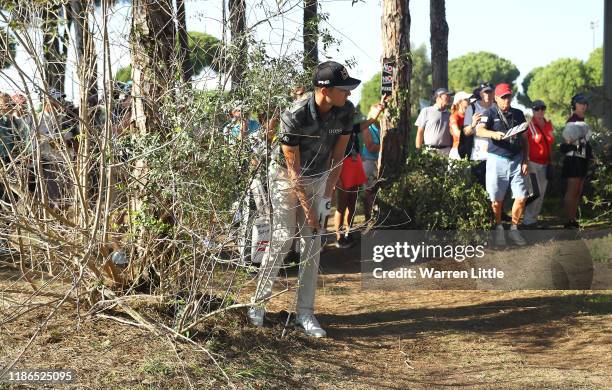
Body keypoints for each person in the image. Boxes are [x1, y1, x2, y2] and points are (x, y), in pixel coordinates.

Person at [248, 61, 359, 337]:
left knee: (313, 241)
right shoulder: (294, 114)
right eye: (343, 89)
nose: (349, 93)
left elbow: (338, 159)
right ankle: (257, 305)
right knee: (285, 236)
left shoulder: (345, 111)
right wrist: (308, 209)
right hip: (286, 177)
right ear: (325, 90)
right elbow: (293, 170)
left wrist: (325, 200)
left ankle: (305, 314)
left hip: (320, 176)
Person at [476, 83, 529, 246]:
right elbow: (479, 130)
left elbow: (524, 138)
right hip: (496, 161)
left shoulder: (519, 114)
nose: (507, 100)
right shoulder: (489, 112)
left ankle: (514, 229)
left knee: (521, 197)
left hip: (517, 159)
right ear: (496, 98)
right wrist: (493, 134)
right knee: (496, 200)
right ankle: (498, 228)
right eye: (503, 97)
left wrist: (526, 160)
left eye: (509, 97)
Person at [334, 100, 386, 249]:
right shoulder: (335, 130)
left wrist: (379, 109)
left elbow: (369, 121)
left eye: (353, 114)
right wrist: (336, 177)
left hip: (355, 166)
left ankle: (348, 233)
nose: (353, 116)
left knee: (352, 203)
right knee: (341, 205)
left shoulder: (352, 128)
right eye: (350, 114)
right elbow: (333, 154)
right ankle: (339, 236)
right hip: (343, 167)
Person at [560, 93, 592, 229]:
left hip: (582, 159)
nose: (584, 106)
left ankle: (573, 220)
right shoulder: (572, 121)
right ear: (574, 105)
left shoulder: (582, 121)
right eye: (580, 103)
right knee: (572, 191)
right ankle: (568, 221)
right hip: (573, 159)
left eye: (585, 103)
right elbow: (568, 141)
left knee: (577, 191)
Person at [523, 100, 554, 228]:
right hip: (532, 164)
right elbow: (523, 144)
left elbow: (551, 143)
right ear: (533, 110)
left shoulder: (548, 125)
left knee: (541, 193)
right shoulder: (529, 125)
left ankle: (533, 219)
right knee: (533, 192)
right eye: (537, 108)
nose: (540, 111)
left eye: (543, 108)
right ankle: (527, 220)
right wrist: (524, 161)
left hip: (545, 164)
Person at [463, 82, 495, 185]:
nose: (488, 95)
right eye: (485, 92)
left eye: (490, 92)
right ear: (480, 94)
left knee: (495, 190)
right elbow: (466, 132)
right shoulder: (471, 108)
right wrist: (472, 124)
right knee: (478, 188)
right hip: (478, 156)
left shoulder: (497, 108)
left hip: (496, 156)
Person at [361, 101, 386, 222]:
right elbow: (370, 147)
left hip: (380, 161)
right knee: (369, 191)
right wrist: (385, 145)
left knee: (378, 191)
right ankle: (367, 217)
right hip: (369, 162)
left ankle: (377, 216)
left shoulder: (382, 126)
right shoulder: (367, 127)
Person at [415, 88, 452, 156]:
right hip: (430, 151)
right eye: (447, 95)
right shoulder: (426, 111)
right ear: (438, 97)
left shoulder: (450, 115)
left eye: (449, 96)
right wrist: (418, 150)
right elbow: (420, 132)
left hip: (446, 151)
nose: (449, 97)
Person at [449, 91, 472, 160]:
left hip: (468, 150)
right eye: (466, 99)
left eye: (468, 99)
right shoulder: (454, 116)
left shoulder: (468, 115)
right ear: (459, 102)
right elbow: (457, 133)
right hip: (457, 151)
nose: (469, 101)